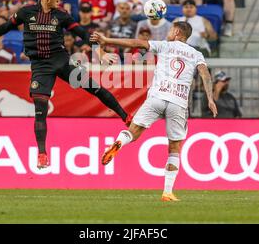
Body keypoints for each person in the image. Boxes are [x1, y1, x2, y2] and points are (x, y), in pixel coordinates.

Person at [0, 0, 132, 169]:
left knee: (95, 88)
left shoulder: (61, 15)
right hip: (40, 68)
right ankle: (42, 154)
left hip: (62, 62)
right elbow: (5, 27)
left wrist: (99, 52)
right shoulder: (26, 12)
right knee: (40, 111)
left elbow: (82, 33)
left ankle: (126, 117)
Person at [90, 21, 217, 201]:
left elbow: (136, 43)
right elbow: (205, 74)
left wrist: (106, 39)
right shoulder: (196, 54)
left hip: (157, 97)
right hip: (178, 102)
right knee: (174, 147)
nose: (169, 32)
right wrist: (210, 98)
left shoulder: (164, 45)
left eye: (171, 29)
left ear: (177, 32)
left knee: (133, 132)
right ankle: (167, 192)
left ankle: (118, 142)